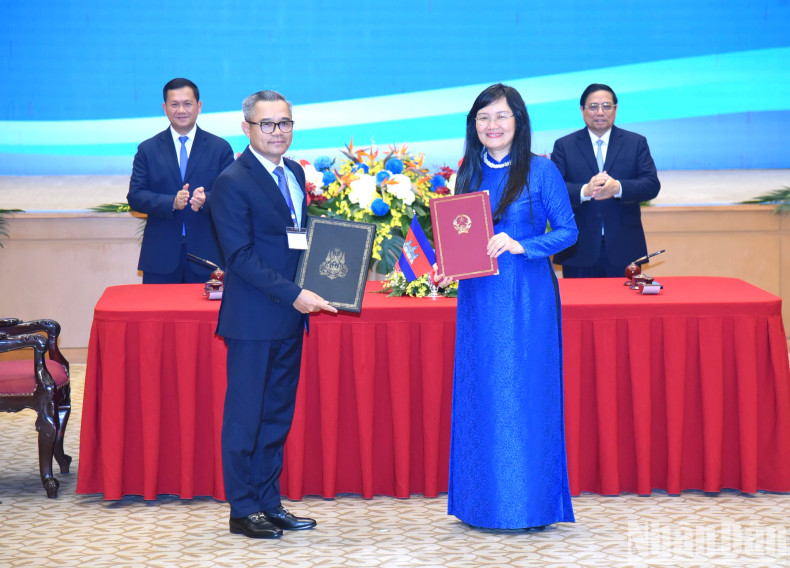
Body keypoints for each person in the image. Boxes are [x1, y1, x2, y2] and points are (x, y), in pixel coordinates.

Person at [443, 83, 577, 530]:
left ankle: (530, 505)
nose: (492, 125)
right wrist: (447, 267)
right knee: (481, 394)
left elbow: (567, 232)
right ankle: (481, 504)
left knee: (524, 395)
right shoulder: (467, 170)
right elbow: (461, 237)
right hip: (479, 301)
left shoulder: (541, 171)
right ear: (473, 125)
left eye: (501, 116)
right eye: (483, 117)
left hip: (526, 301)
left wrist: (522, 244)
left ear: (518, 121)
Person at [210, 90, 337, 539]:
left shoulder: (296, 172)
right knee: (246, 416)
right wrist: (296, 293)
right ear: (246, 128)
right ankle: (243, 509)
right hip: (253, 319)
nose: (278, 131)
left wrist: (320, 281)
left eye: (285, 123)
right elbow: (240, 257)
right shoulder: (233, 180)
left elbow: (296, 240)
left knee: (276, 415)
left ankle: (268, 502)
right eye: (268, 124)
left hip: (288, 315)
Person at [127, 78, 234, 283]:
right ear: (164, 108)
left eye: (187, 104)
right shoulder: (147, 149)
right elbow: (136, 197)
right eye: (174, 104)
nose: (181, 110)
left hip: (208, 255)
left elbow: (231, 196)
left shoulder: (219, 148)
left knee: (207, 316)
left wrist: (206, 201)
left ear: (199, 106)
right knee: (159, 315)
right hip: (160, 257)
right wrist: (171, 203)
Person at [551, 83, 660, 278]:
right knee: (581, 307)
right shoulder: (564, 146)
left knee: (625, 307)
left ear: (616, 109)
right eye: (593, 106)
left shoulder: (636, 143)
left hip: (625, 247)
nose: (600, 112)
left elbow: (651, 185)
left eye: (606, 106)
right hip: (578, 249)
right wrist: (585, 190)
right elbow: (553, 191)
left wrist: (618, 188)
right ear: (582, 110)